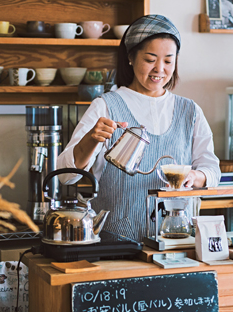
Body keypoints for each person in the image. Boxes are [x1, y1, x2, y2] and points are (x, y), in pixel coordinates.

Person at [56, 15, 221, 241]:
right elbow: (66, 177)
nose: (159, 69)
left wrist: (196, 176)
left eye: (168, 61)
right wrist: (91, 140)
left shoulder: (190, 111)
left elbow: (212, 170)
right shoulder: (106, 105)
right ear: (131, 57)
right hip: (117, 241)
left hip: (179, 241)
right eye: (150, 59)